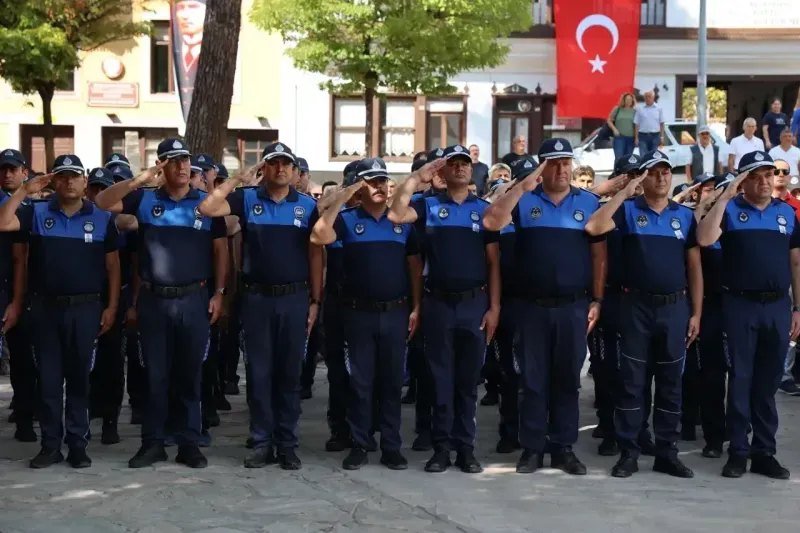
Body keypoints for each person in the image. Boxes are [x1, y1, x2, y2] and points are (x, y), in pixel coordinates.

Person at [94, 138, 228, 470]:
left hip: (194, 298)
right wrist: (140, 179)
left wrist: (220, 292)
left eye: (186, 160)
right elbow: (102, 201)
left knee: (189, 375)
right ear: (162, 166)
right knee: (155, 375)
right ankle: (152, 443)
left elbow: (221, 250)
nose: (183, 166)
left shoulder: (207, 203)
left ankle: (188, 443)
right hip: (154, 300)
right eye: (174, 161)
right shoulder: (145, 199)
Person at [198, 141, 322, 470]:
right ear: (263, 169)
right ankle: (262, 440)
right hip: (257, 299)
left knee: (289, 373)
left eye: (287, 164)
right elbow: (208, 208)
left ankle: (287, 443)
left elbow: (315, 255)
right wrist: (238, 177)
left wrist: (315, 301)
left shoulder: (307, 206)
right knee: (259, 372)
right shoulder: (248, 198)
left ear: (296, 173)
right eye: (273, 163)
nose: (280, 169)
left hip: (295, 298)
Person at [484, 138, 605, 475]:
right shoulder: (522, 202)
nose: (562, 169)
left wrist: (597, 299)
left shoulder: (590, 202)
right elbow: (492, 221)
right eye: (554, 163)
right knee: (532, 381)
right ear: (541, 167)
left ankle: (563, 448)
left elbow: (599, 256)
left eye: (567, 162)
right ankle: (532, 448)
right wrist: (523, 185)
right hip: (531, 308)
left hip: (573, 307)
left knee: (568, 380)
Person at [586, 149, 702, 479]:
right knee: (632, 383)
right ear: (643, 178)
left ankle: (667, 451)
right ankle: (629, 451)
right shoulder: (626, 211)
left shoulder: (685, 216)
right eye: (654, 172)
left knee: (670, 384)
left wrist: (696, 312)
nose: (662, 177)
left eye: (667, 171)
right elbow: (594, 226)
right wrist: (623, 191)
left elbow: (694, 268)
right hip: (634, 307)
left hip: (674, 308)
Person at [0, 155, 120, 469]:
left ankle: (78, 445)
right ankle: (50, 445)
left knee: (80, 381)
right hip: (45, 310)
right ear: (54, 181)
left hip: (85, 309)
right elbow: (3, 221)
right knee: (50, 382)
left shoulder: (102, 217)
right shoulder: (37, 213)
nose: (69, 182)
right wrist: (24, 191)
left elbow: (113, 267)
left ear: (84, 182)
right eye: (62, 176)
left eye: (75, 176)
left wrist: (111, 307)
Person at [389, 145, 500, 474]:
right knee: (440, 380)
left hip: (474, 303)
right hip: (438, 303)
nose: (461, 169)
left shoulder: (484, 210)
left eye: (465, 163)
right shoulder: (428, 206)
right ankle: (441, 448)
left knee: (467, 382)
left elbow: (494, 264)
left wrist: (494, 307)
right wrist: (415, 179)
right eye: (453, 164)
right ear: (443, 171)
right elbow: (396, 213)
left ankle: (465, 448)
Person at [311, 158, 422, 471]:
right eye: (372, 182)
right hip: (357, 314)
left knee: (390, 383)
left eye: (383, 181)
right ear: (359, 187)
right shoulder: (346, 220)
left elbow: (414, 267)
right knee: (359, 382)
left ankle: (391, 446)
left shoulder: (402, 221)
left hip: (395, 313)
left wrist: (417, 307)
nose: (380, 187)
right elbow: (320, 235)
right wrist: (346, 196)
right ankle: (360, 443)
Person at [697, 150, 799, 480]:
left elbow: (796, 263)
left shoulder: (786, 213)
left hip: (777, 308)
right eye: (758, 176)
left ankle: (764, 452)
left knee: (768, 382)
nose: (767, 181)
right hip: (740, 306)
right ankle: (738, 451)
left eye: (770, 175)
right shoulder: (730, 211)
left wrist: (798, 307)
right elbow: (704, 238)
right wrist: (725, 197)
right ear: (744, 181)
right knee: (741, 379)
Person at [0, 149, 36, 443]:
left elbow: (20, 258)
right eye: (3, 169)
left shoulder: (35, 208)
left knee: (23, 361)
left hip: (19, 292)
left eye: (13, 169)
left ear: (25, 172)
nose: (7, 174)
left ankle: (26, 419)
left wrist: (17, 300)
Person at [608, 92, 637, 158]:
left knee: (628, 159)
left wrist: (636, 138)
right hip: (619, 138)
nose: (628, 101)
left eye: (630, 99)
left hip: (631, 139)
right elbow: (609, 120)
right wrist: (614, 129)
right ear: (623, 100)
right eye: (627, 99)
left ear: (632, 101)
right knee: (619, 158)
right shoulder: (617, 109)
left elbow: (636, 125)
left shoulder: (634, 111)